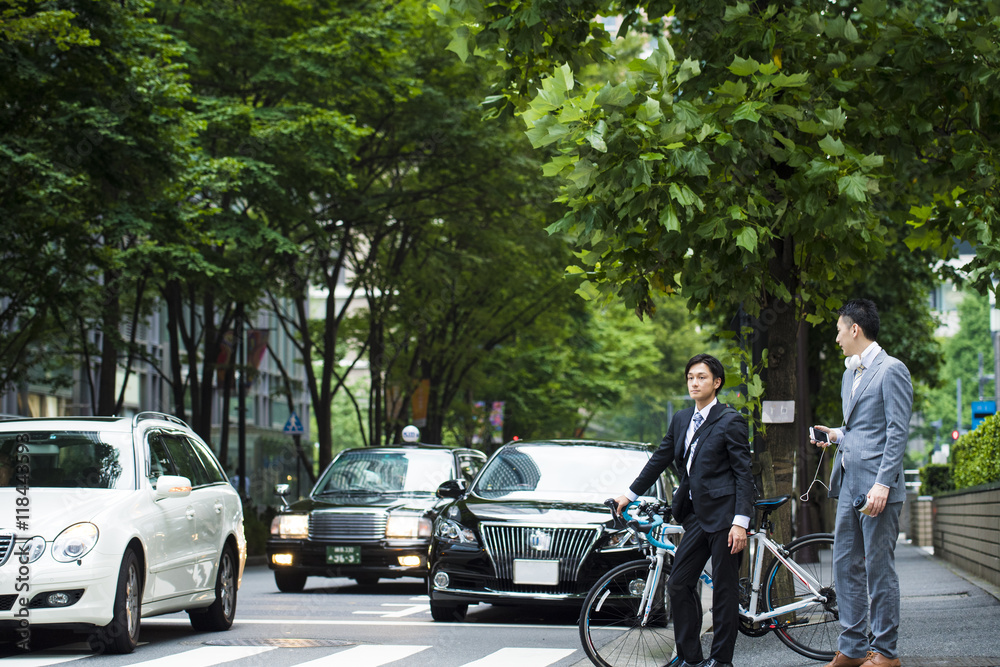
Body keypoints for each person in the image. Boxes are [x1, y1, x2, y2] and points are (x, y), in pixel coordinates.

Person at [614, 353, 754, 667]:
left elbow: (744, 474)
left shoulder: (730, 420)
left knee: (724, 591)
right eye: (690, 377)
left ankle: (721, 660)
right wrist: (629, 494)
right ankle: (691, 658)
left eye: (702, 377)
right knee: (679, 582)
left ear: (717, 383)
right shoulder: (680, 419)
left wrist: (740, 523)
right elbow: (659, 460)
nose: (694, 382)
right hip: (696, 517)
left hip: (726, 518)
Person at [812, 299, 912, 667]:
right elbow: (862, 428)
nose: (836, 338)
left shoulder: (892, 370)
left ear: (855, 329)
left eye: (839, 330)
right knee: (844, 565)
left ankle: (885, 652)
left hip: (877, 488)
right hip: (849, 483)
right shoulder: (848, 374)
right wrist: (836, 435)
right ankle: (853, 648)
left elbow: (896, 431)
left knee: (878, 567)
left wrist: (884, 484)